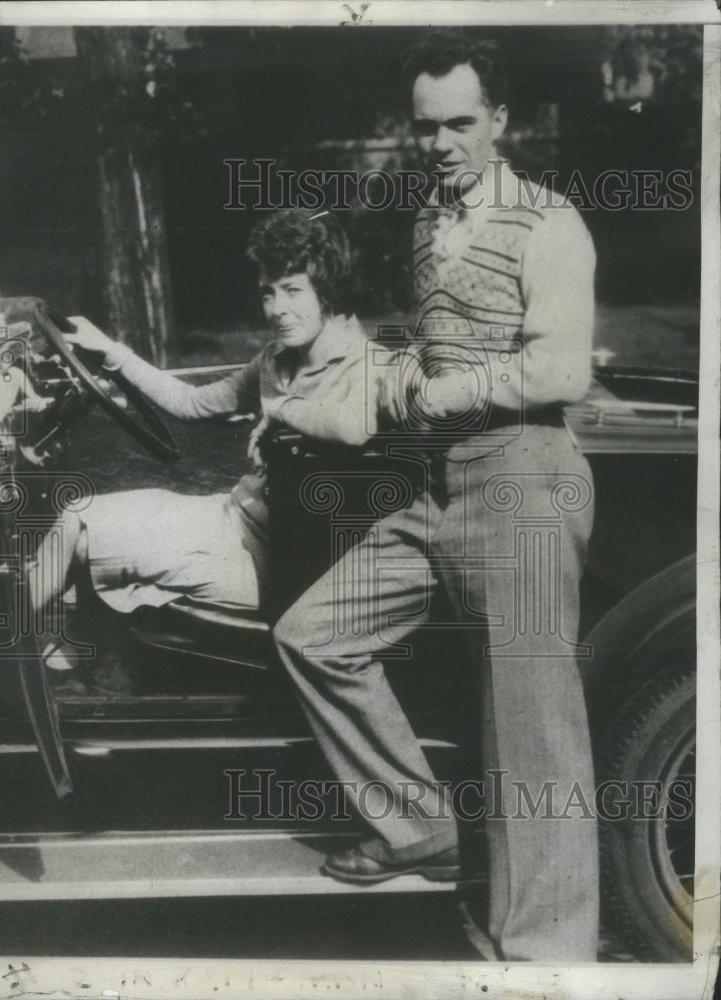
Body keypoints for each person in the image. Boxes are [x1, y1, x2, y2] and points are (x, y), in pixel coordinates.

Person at [274, 30, 598, 962]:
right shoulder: (427, 220)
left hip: (526, 477)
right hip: (437, 484)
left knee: (532, 727)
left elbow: (560, 367)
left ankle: (546, 958)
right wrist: (391, 376)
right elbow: (444, 339)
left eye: (461, 123)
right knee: (313, 636)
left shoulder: (548, 221)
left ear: (499, 120)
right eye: (428, 127)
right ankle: (420, 826)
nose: (443, 143)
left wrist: (447, 389)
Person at [28, 209, 384, 653]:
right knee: (76, 516)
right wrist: (109, 350)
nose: (276, 309)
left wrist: (279, 409)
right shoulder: (277, 359)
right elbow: (193, 404)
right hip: (231, 517)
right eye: (267, 293)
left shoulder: (369, 365)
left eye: (293, 290)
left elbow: (355, 429)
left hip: (278, 565)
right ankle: (44, 661)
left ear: (329, 291)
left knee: (79, 534)